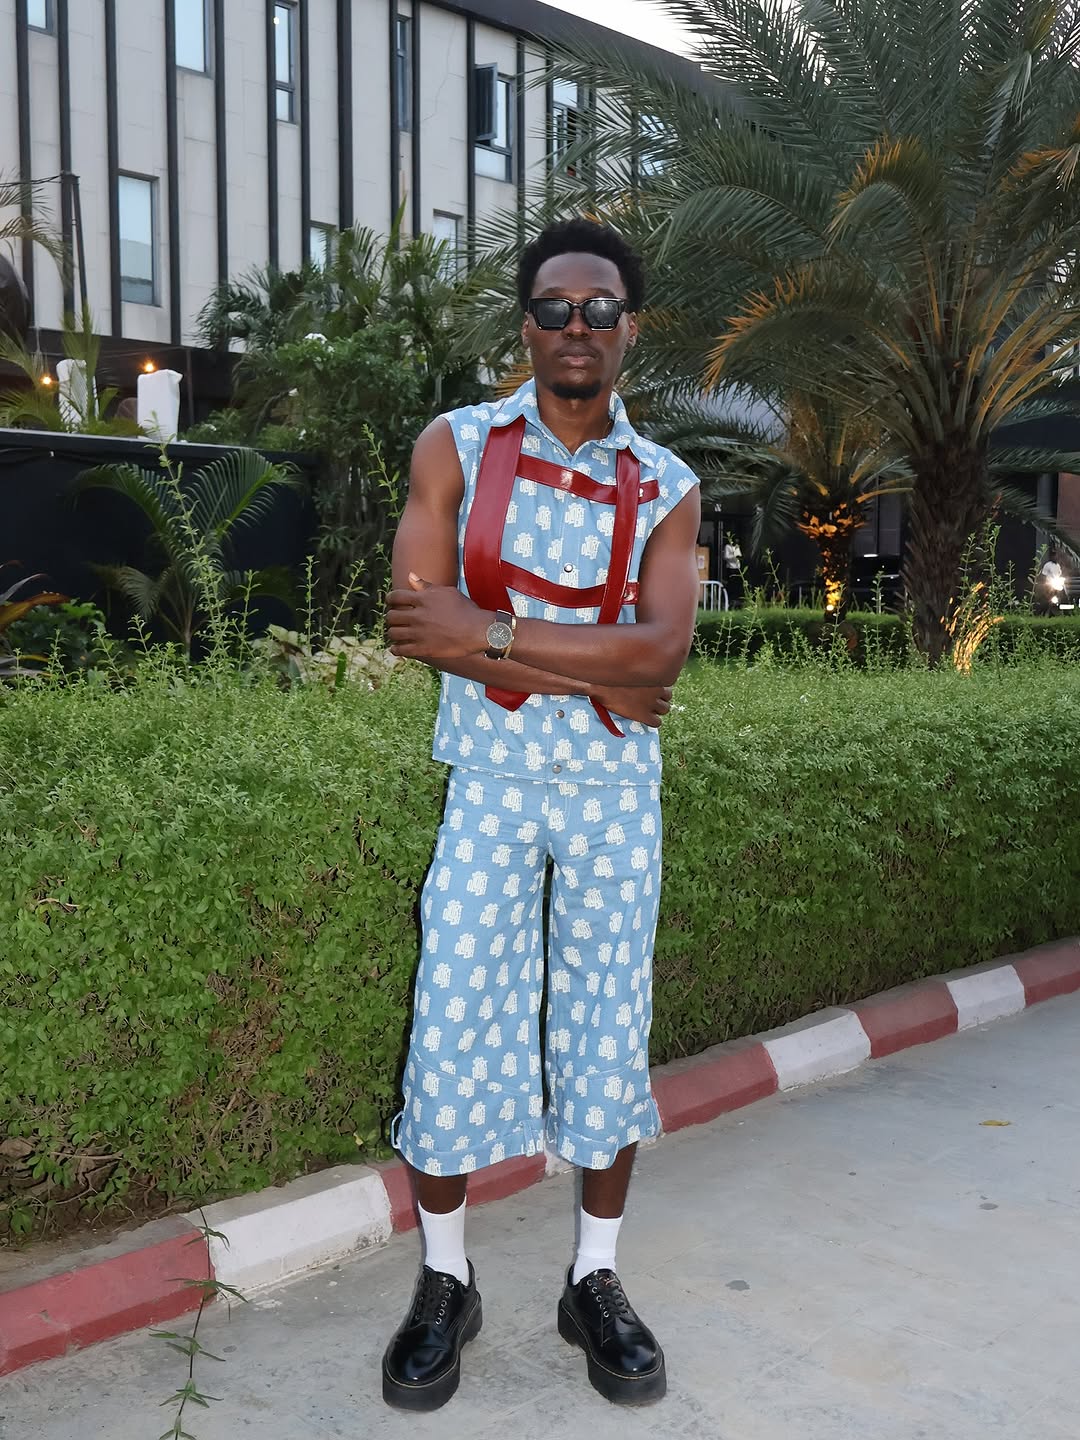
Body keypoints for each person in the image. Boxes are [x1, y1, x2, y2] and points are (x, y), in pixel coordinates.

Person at [384, 217, 701, 1412]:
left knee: (609, 1023)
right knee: (450, 1014)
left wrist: (496, 633)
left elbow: (663, 655)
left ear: (630, 330)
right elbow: (419, 626)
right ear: (526, 326)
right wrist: (603, 669)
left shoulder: (666, 482)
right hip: (492, 785)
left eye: (599, 309)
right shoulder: (456, 447)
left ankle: (593, 1279)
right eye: (556, 308)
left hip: (617, 797)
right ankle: (446, 1281)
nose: (578, 326)